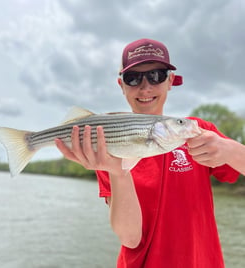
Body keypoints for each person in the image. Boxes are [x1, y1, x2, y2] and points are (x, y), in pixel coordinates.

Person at [55, 38, 243, 268]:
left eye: (156, 76)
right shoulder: (108, 148)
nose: (145, 88)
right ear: (121, 85)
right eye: (133, 78)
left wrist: (232, 150)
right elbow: (130, 238)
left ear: (170, 80)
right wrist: (119, 173)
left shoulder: (199, 132)